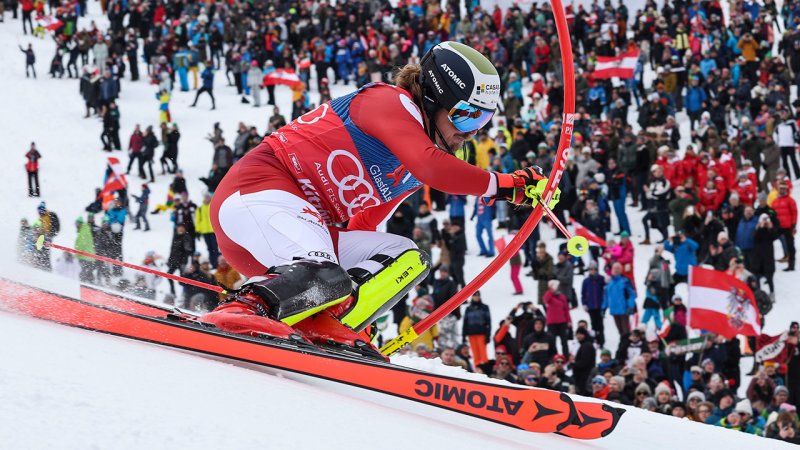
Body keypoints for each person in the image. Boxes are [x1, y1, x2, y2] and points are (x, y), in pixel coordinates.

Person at [206, 42, 557, 347]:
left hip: (293, 238)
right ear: (433, 99)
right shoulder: (387, 102)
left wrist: (357, 300)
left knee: (406, 258)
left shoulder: (412, 164)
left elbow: (364, 223)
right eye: (465, 117)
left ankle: (326, 323)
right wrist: (506, 185)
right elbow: (431, 167)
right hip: (255, 196)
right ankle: (241, 309)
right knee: (326, 272)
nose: (470, 133)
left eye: (482, 122)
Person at [603, 262, 636, 336]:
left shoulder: (625, 281)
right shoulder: (609, 283)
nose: (616, 270)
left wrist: (630, 306)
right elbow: (606, 296)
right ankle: (623, 342)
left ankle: (626, 342)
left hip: (624, 310)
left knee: (626, 331)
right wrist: (603, 308)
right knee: (620, 331)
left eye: (618, 268)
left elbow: (631, 295)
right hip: (614, 310)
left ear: (621, 270)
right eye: (614, 268)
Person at [772, 182, 797, 271]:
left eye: (783, 188)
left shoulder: (790, 200)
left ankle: (791, 264)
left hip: (787, 226)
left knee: (790, 245)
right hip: (777, 227)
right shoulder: (775, 201)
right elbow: (772, 213)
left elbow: (794, 213)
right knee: (768, 243)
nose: (782, 190)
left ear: (786, 189)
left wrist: (793, 225)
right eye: (781, 188)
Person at [462, 291, 492, 366]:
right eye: (475, 295)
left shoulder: (484, 307)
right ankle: (477, 368)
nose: (476, 297)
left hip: (481, 333)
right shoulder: (468, 309)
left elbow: (488, 322)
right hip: (471, 334)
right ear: (472, 297)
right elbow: (465, 322)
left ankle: (485, 368)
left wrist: (488, 335)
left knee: (483, 353)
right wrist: (464, 335)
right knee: (475, 354)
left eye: (478, 295)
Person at [581, 261, 606, 346]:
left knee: (600, 324)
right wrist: (584, 303)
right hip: (591, 306)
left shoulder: (601, 279)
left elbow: (605, 291)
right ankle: (595, 340)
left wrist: (604, 303)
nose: (593, 271)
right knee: (593, 324)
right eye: (591, 269)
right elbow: (583, 293)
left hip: (600, 305)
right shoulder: (586, 281)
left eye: (594, 269)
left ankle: (601, 341)